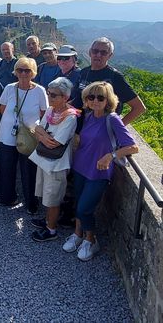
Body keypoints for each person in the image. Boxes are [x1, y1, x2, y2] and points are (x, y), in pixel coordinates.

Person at [63, 82, 138, 261]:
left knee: (84, 208)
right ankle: (78, 234)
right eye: (91, 97)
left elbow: (133, 147)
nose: (95, 101)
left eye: (100, 97)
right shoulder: (88, 116)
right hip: (81, 167)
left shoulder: (112, 119)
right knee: (78, 203)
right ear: (86, 100)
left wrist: (110, 156)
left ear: (108, 100)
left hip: (99, 172)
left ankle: (91, 240)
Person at [28, 77, 79, 242]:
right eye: (49, 94)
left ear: (65, 97)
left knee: (53, 197)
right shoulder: (51, 111)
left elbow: (55, 143)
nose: (50, 98)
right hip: (45, 160)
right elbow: (39, 128)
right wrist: (43, 136)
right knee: (47, 194)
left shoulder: (70, 117)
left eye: (54, 95)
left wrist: (41, 135)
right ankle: (48, 220)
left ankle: (51, 230)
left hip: (57, 164)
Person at [0, 57, 48, 214]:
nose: (23, 73)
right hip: (7, 134)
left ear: (33, 73)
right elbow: (3, 109)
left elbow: (44, 113)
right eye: (20, 70)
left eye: (27, 70)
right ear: (15, 72)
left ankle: (31, 203)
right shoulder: (9, 88)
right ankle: (7, 197)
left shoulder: (40, 91)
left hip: (29, 136)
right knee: (6, 167)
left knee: (29, 170)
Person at [71, 37, 145, 125]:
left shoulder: (115, 77)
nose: (98, 55)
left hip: (101, 132)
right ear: (90, 52)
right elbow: (76, 98)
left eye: (103, 52)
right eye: (95, 51)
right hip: (79, 128)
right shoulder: (83, 72)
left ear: (110, 55)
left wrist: (116, 129)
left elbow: (139, 107)